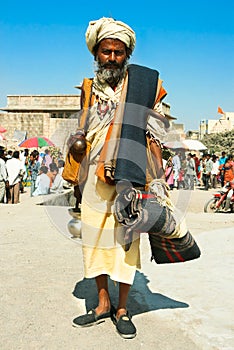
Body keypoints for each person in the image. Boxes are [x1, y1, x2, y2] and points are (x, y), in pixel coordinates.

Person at [69, 17, 198, 339]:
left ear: (127, 54)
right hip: (94, 178)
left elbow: (156, 132)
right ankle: (101, 304)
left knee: (127, 243)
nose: (112, 57)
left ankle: (123, 309)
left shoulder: (144, 85)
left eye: (118, 52)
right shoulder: (89, 89)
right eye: (106, 51)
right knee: (94, 242)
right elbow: (82, 128)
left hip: (131, 175)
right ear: (96, 53)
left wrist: (155, 179)